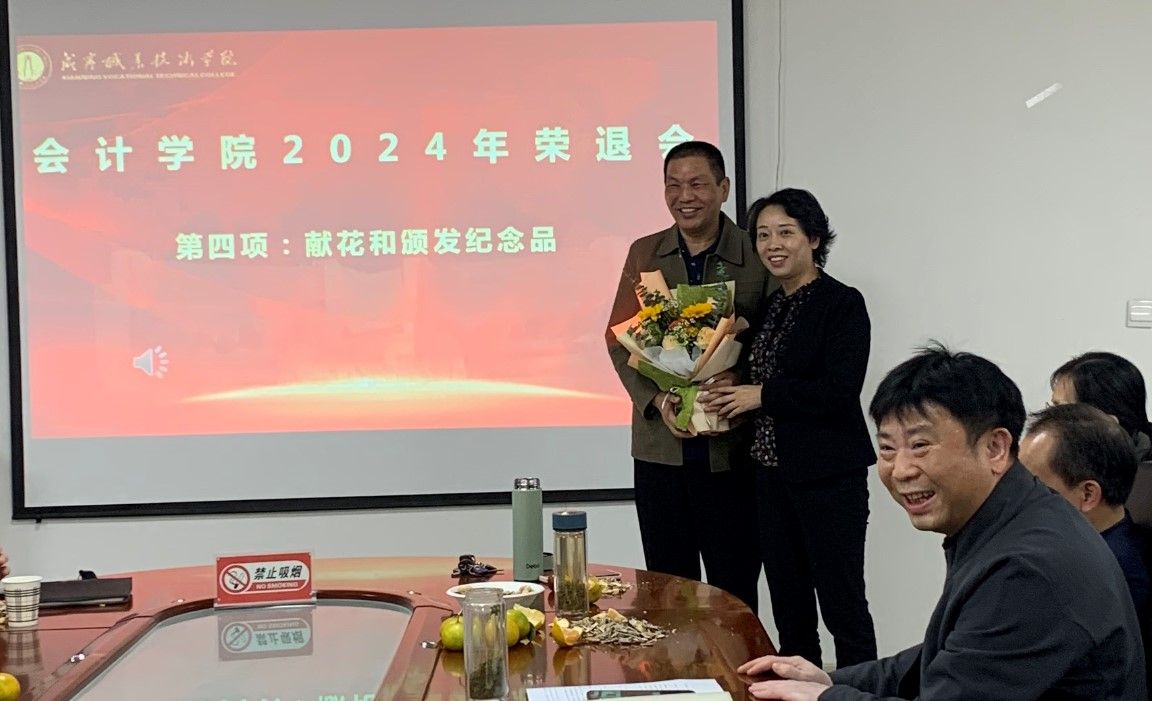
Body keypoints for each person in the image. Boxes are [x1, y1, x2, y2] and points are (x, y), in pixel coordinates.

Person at [739, 346, 1146, 700]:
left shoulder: (1028, 567)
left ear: (995, 447)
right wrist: (831, 680)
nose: (901, 470)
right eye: (887, 448)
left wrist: (827, 697)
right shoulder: (1017, 513)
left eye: (920, 445)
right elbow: (951, 653)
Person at [703, 188, 876, 668]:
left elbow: (839, 390)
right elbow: (756, 377)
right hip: (769, 478)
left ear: (814, 238)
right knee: (789, 605)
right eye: (762, 235)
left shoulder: (843, 303)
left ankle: (861, 692)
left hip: (828, 478)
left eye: (785, 232)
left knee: (842, 605)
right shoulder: (770, 307)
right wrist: (728, 387)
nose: (772, 244)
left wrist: (761, 395)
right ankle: (798, 691)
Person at [605, 140, 773, 611]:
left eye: (697, 184)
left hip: (732, 451)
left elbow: (776, 337)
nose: (685, 196)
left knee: (733, 592)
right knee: (666, 592)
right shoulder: (644, 253)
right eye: (673, 186)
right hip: (660, 452)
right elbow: (619, 339)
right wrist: (658, 400)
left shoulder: (755, 251)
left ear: (723, 188)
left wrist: (738, 377)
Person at [1019, 402, 1151, 663]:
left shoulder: (1112, 580)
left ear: (1088, 495)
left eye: (1033, 486)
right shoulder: (1097, 549)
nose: (1018, 499)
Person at [1049, 352, 1152, 525]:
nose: (1048, 422)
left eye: (1062, 411)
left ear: (1106, 424)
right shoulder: (1067, 463)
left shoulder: (1141, 496)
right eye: (1052, 409)